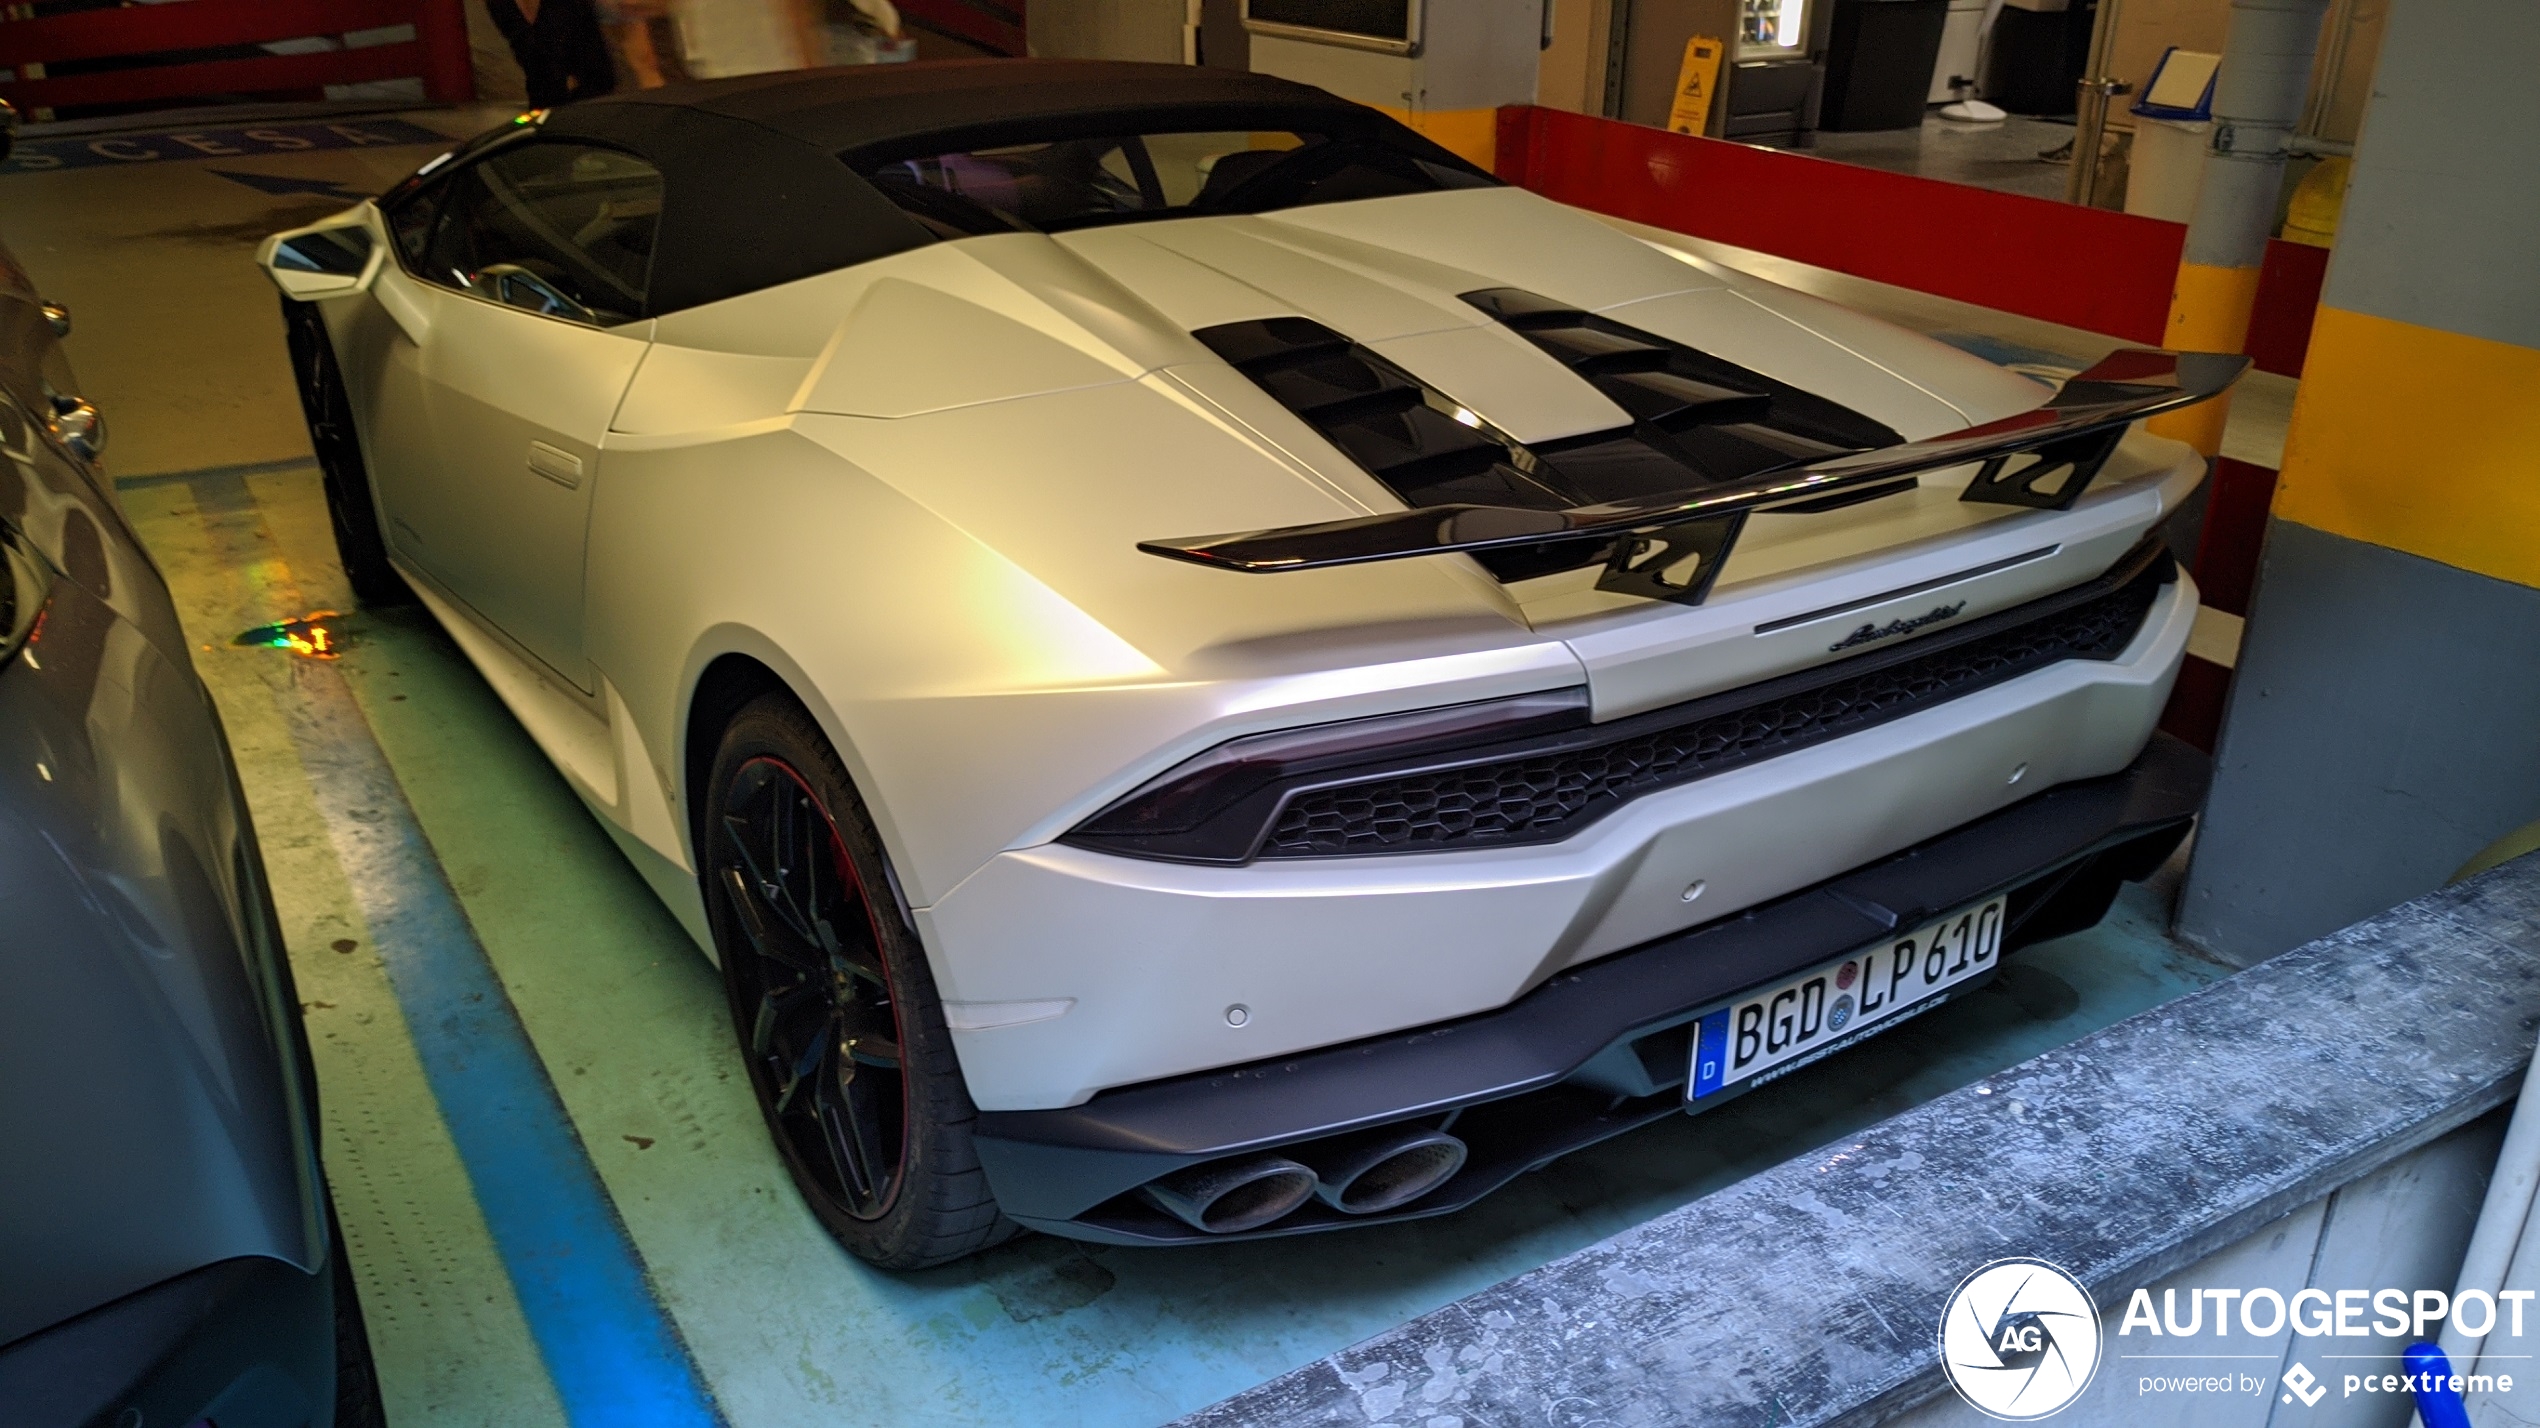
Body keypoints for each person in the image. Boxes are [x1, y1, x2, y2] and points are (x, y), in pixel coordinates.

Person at [483, 0, 619, 106]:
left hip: (589, 102)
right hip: (545, 103)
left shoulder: (567, 5)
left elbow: (599, 72)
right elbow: (529, 57)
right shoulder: (501, 4)